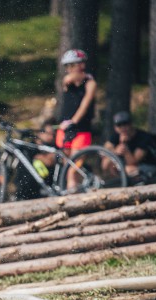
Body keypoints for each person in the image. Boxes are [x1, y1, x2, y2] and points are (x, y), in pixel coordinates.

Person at [57, 49, 97, 193]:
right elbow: (69, 80)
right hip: (65, 128)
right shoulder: (68, 80)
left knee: (73, 167)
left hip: (81, 128)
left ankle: (73, 193)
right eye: (67, 66)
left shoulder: (90, 83)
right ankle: (72, 190)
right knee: (66, 164)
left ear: (80, 64)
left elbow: (84, 106)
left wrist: (74, 121)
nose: (69, 69)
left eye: (71, 65)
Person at [103, 111, 156, 183]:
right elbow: (104, 164)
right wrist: (114, 152)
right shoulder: (115, 137)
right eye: (119, 125)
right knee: (112, 167)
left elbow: (133, 162)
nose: (123, 128)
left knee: (128, 169)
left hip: (148, 167)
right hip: (127, 168)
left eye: (125, 124)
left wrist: (125, 151)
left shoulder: (143, 137)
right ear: (115, 127)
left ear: (131, 124)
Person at [14, 120, 58, 200]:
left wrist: (41, 158)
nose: (51, 137)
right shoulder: (28, 146)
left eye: (53, 134)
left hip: (44, 189)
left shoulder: (53, 147)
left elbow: (51, 161)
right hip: (24, 188)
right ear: (39, 133)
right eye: (48, 133)